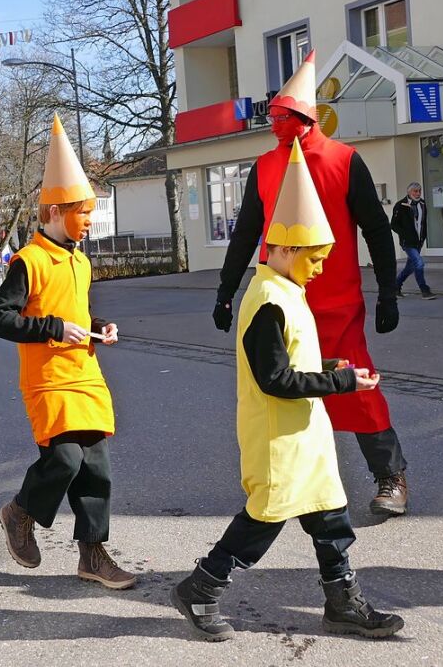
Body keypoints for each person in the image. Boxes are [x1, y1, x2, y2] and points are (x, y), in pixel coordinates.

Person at [174, 139, 404, 641]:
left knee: (331, 520)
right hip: (280, 440)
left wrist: (332, 365)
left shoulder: (289, 292)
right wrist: (340, 379)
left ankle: (342, 603)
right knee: (261, 524)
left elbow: (292, 363)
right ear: (280, 248)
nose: (320, 266)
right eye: (312, 256)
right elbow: (275, 379)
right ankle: (200, 588)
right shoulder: (268, 301)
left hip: (306, 437)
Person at [213, 50, 409, 516]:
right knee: (280, 393)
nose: (273, 124)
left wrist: (388, 291)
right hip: (279, 302)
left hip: (336, 301)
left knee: (358, 388)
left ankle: (391, 477)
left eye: (280, 116)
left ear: (304, 118)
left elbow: (377, 231)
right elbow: (246, 232)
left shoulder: (344, 160)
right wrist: (225, 290)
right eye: (271, 116)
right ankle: (291, 483)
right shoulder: (263, 166)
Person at [0, 115, 135, 591]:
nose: (90, 221)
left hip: (85, 374)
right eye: (83, 211)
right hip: (48, 378)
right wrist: (55, 329)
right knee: (66, 461)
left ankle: (93, 556)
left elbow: (76, 311)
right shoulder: (28, 261)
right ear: (54, 212)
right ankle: (20, 511)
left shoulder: (80, 260)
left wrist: (96, 327)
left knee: (96, 467)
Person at [391, 183, 435, 300]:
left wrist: (423, 236)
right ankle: (424, 290)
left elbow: (423, 222)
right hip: (408, 242)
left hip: (418, 241)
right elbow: (393, 225)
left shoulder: (422, 203)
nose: (418, 193)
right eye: (415, 191)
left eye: (419, 191)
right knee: (419, 263)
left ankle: (395, 287)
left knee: (410, 267)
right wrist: (405, 234)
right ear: (409, 192)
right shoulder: (401, 205)